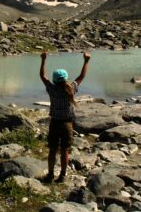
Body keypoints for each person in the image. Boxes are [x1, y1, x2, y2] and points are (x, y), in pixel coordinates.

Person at [39, 51, 91, 183]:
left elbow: (42, 76)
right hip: (67, 124)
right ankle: (62, 175)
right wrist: (86, 62)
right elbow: (82, 76)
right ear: (66, 78)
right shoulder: (71, 89)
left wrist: (43, 60)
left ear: (55, 80)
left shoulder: (51, 88)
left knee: (52, 150)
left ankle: (50, 175)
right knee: (64, 150)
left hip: (54, 123)